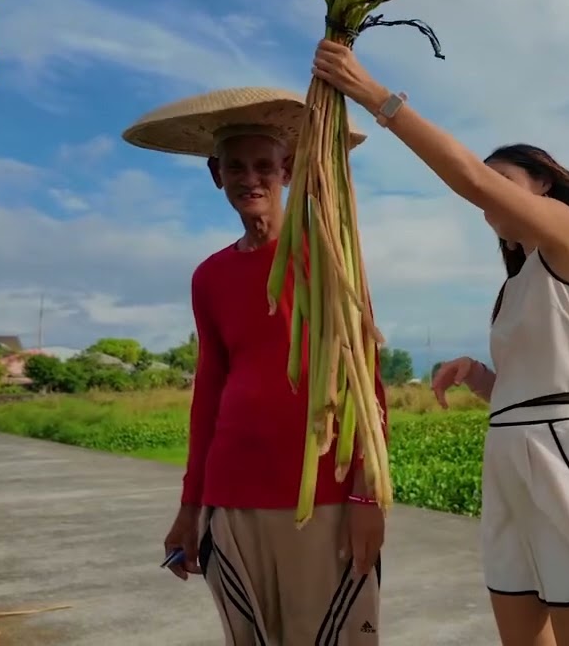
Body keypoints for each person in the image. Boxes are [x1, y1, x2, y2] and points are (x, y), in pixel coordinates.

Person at [312, 44, 569, 645]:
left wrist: (376, 98)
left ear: (543, 184)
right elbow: (530, 386)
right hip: (509, 455)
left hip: (566, 453)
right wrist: (479, 375)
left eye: (503, 184)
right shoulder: (517, 285)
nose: (490, 203)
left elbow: (469, 178)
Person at [121, 87, 389, 646]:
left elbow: (367, 382)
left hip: (322, 496)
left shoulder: (331, 257)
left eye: (264, 166)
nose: (251, 179)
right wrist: (190, 507)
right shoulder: (209, 276)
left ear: (287, 171)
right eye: (236, 167)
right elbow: (209, 392)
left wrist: (367, 496)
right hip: (233, 494)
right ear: (215, 174)